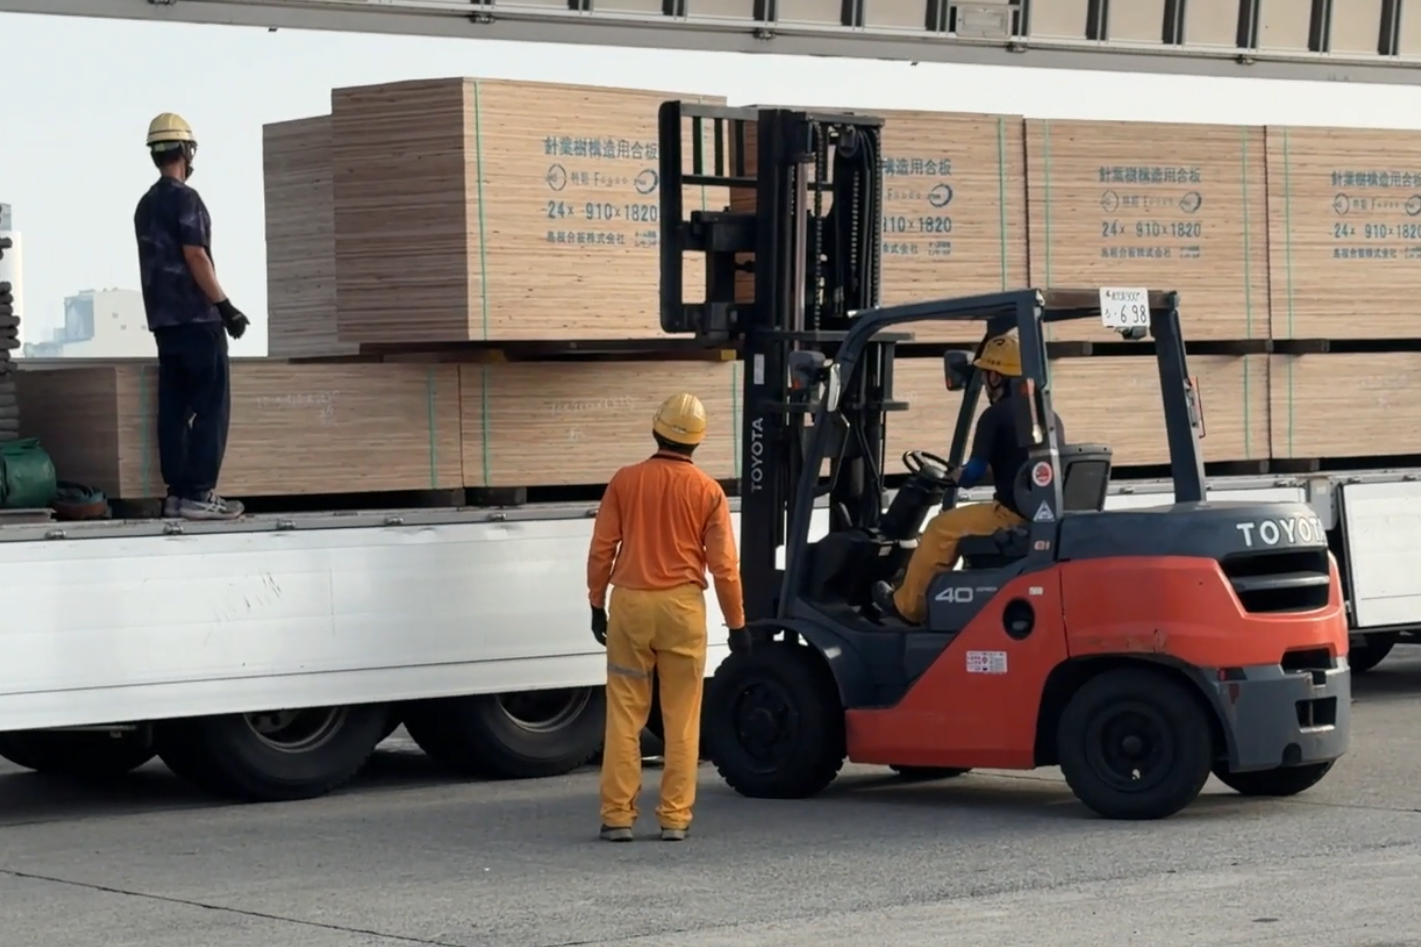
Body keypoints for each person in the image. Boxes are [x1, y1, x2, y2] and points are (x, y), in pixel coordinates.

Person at [586, 392, 748, 843]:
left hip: (631, 605)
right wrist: (736, 623)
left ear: (655, 429)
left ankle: (617, 817)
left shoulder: (625, 481)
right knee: (682, 718)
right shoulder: (708, 491)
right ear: (698, 439)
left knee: (625, 714)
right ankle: (675, 819)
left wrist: (596, 602)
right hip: (682, 609)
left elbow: (602, 550)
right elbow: (725, 568)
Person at [874, 334, 1065, 625]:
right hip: (1039, 512)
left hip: (1011, 516)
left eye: (986, 374)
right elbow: (1020, 466)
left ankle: (909, 607)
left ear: (995, 376)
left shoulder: (995, 416)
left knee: (939, 529)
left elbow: (971, 476)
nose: (986, 381)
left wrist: (958, 474)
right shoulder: (1047, 415)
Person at [134, 112, 251, 521]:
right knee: (212, 407)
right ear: (186, 151)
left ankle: (178, 495)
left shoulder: (145, 206)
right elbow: (196, 256)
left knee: (174, 410)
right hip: (198, 321)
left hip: (164, 325)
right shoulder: (187, 200)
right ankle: (200, 493)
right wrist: (226, 307)